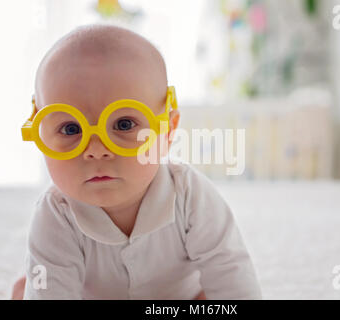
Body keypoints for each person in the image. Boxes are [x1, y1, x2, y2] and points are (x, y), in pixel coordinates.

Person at [14, 23, 262, 300]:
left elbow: (229, 270)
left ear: (166, 130)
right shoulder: (55, 214)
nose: (96, 150)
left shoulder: (190, 195)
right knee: (32, 288)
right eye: (71, 129)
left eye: (123, 124)